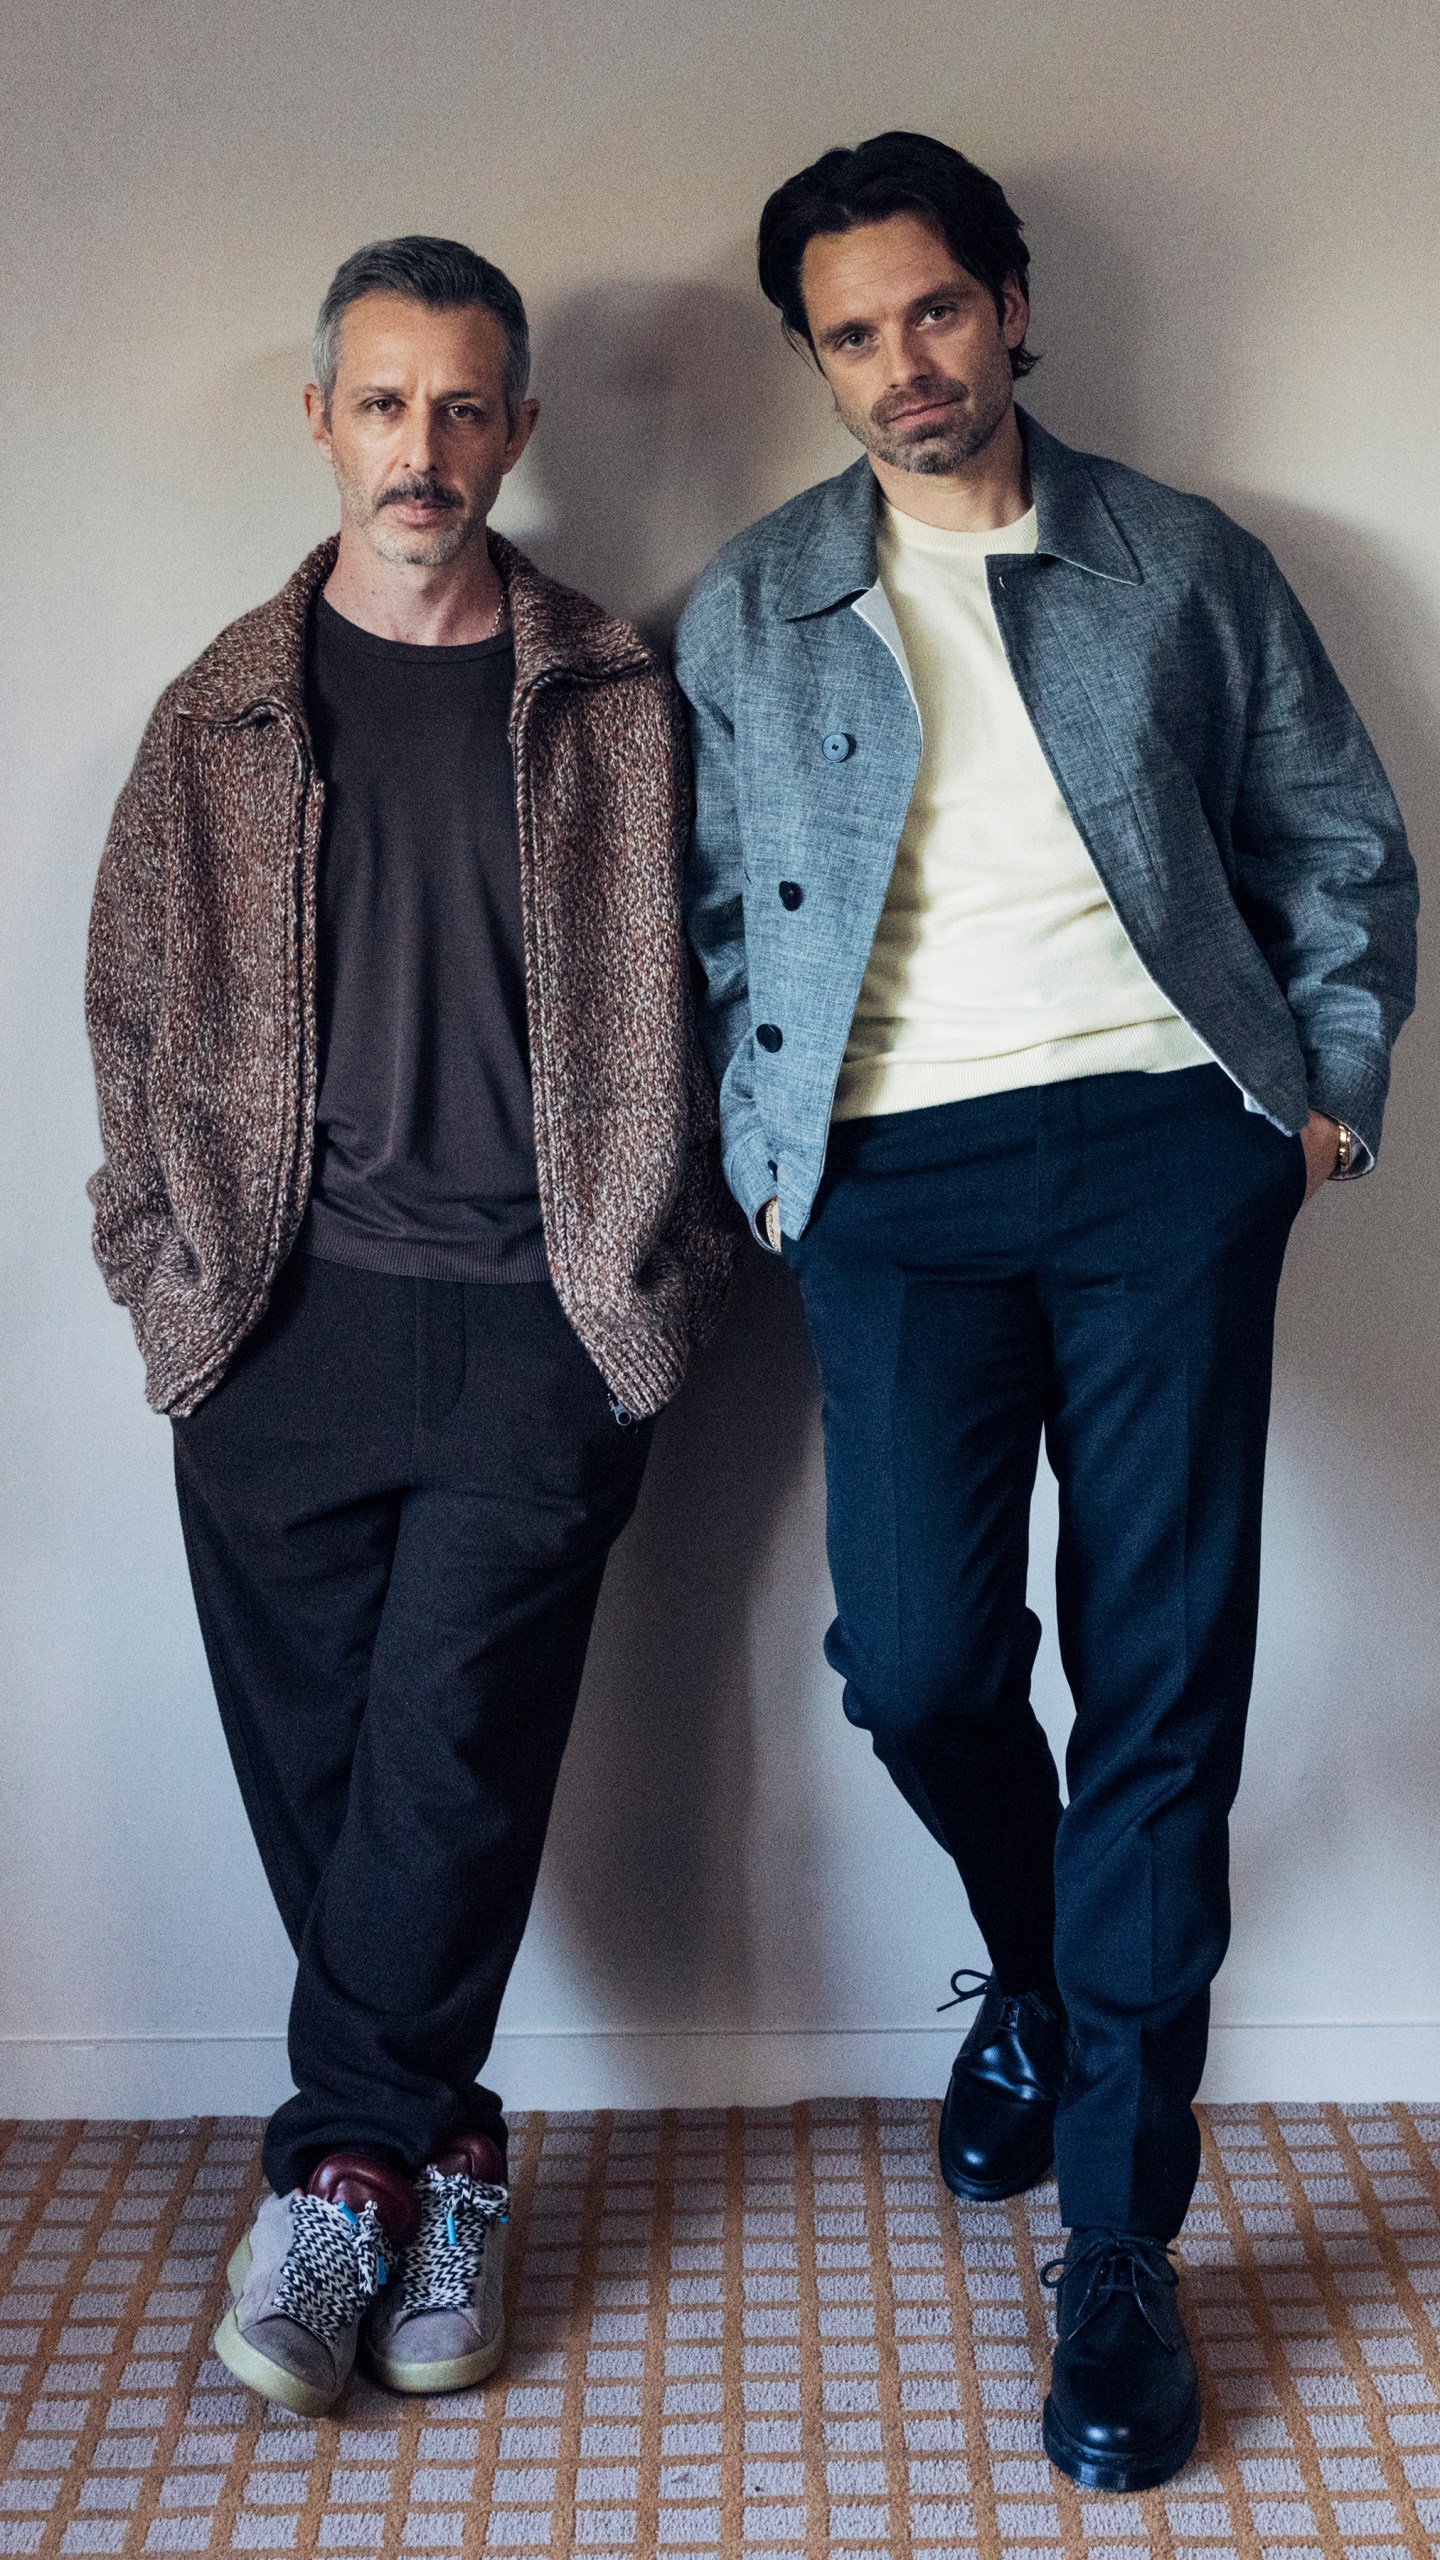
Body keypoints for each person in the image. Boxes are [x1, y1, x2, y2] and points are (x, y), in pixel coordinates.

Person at [675, 133, 1416, 2491]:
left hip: (1164, 1159)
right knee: (915, 1659)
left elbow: (1343, 845)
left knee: (1164, 1677)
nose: (905, 366)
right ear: (815, 359)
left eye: (935, 311)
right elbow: (701, 919)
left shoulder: (1184, 561)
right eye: (853, 332)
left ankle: (1121, 2247)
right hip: (890, 1182)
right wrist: (764, 1152)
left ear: (1011, 304)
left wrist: (1322, 1089)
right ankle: (1060, 1981)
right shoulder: (756, 604)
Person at [85, 235, 734, 2417]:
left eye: (467, 406)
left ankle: (337, 2165)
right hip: (277, 1320)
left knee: (449, 1745)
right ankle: (449, 2147)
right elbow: (130, 1013)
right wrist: (173, 1281)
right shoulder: (220, 712)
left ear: (521, 432)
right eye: (386, 402)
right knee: (335, 1776)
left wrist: (648, 1275)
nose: (425, 447)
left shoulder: (619, 703)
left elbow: (720, 988)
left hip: (546, 1309)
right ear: (324, 422)